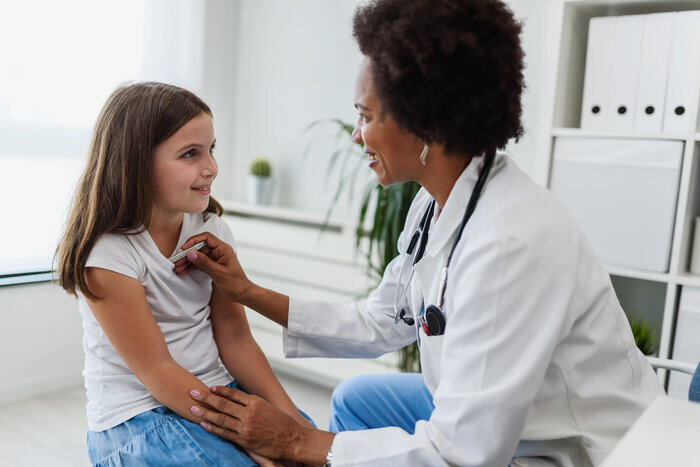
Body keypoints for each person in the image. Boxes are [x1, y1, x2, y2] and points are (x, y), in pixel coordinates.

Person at [180, 0, 664, 465]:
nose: (355, 134)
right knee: (357, 399)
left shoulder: (507, 244)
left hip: (574, 448)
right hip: (509, 416)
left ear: (427, 122)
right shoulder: (440, 198)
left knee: (332, 441)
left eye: (366, 116)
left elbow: (464, 455)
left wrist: (301, 442)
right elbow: (382, 320)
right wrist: (245, 291)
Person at [56, 82, 312, 466]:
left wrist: (293, 426)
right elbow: (157, 371)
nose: (211, 167)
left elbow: (237, 340)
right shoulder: (108, 254)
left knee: (310, 447)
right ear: (136, 162)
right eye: (190, 154)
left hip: (215, 391)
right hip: (138, 417)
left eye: (211, 149)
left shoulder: (211, 231)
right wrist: (251, 441)